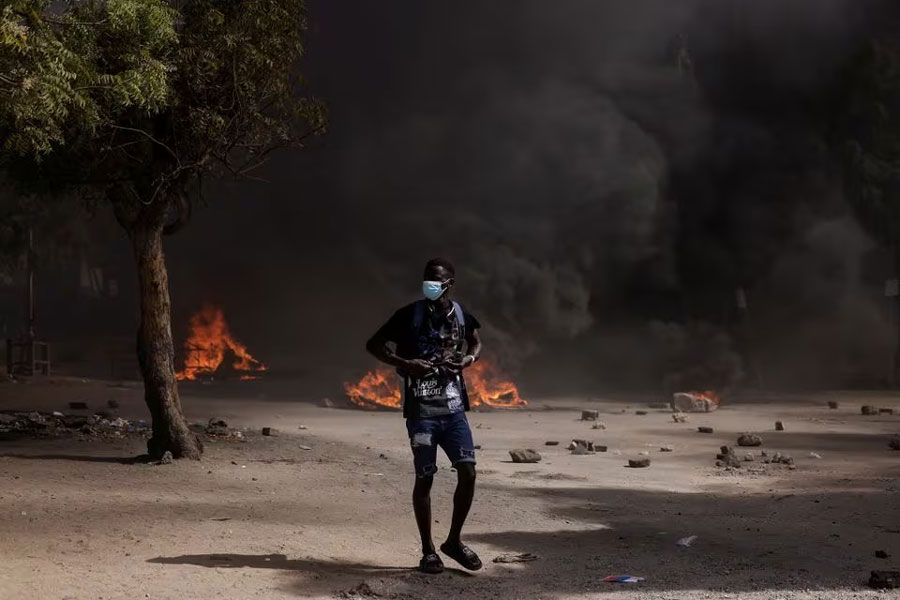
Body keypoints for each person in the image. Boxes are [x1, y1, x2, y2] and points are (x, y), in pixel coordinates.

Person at [366, 258, 483, 574]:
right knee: (425, 477)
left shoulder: (460, 314)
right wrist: (403, 361)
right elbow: (374, 345)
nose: (430, 284)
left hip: (454, 408)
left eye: (437, 280)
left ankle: (454, 542)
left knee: (469, 472)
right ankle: (429, 551)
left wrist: (470, 358)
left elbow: (475, 339)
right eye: (427, 279)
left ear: (450, 283)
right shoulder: (408, 315)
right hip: (421, 412)